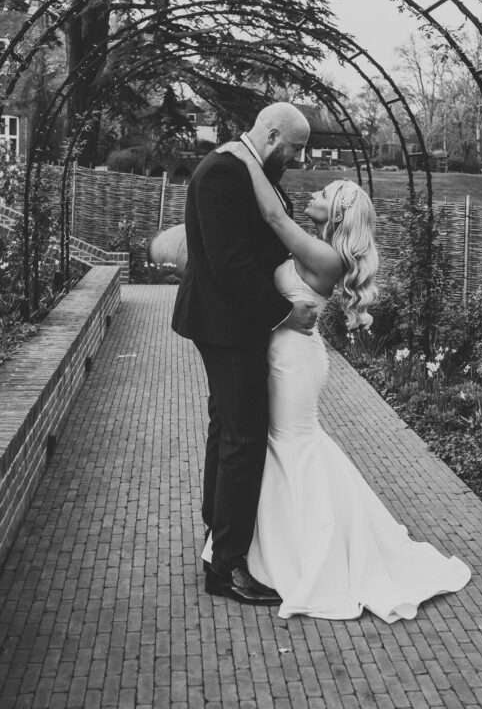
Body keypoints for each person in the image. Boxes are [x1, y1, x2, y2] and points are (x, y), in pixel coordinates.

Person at [204, 143, 472, 621]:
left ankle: (307, 548)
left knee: (291, 445)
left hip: (294, 360)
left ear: (340, 210)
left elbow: (270, 212)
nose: (314, 190)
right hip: (285, 351)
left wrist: (244, 155)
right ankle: (264, 542)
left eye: (325, 191)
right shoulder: (315, 247)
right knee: (276, 444)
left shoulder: (325, 256)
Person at [171, 102, 317, 606]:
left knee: (226, 426)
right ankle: (227, 566)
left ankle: (218, 534)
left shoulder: (249, 169)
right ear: (274, 134)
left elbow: (269, 236)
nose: (297, 158)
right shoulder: (222, 173)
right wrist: (284, 313)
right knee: (244, 434)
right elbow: (229, 262)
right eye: (295, 147)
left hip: (234, 321)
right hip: (228, 323)